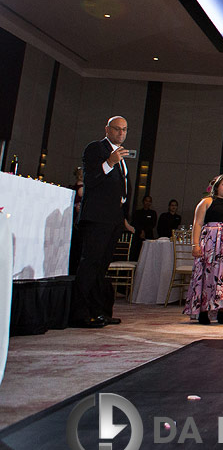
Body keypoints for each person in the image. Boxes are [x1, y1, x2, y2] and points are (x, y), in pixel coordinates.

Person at [70, 115, 133, 328]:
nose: (121, 133)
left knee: (102, 267)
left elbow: (121, 188)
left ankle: (99, 312)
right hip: (96, 218)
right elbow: (91, 180)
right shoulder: (96, 149)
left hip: (114, 219)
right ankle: (79, 314)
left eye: (124, 130)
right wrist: (110, 162)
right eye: (117, 129)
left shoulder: (120, 155)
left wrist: (123, 217)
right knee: (90, 264)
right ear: (107, 129)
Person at [183, 173, 223, 324]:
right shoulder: (206, 202)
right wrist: (195, 244)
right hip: (211, 244)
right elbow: (198, 223)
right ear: (217, 186)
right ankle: (203, 311)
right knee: (208, 275)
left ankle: (222, 310)